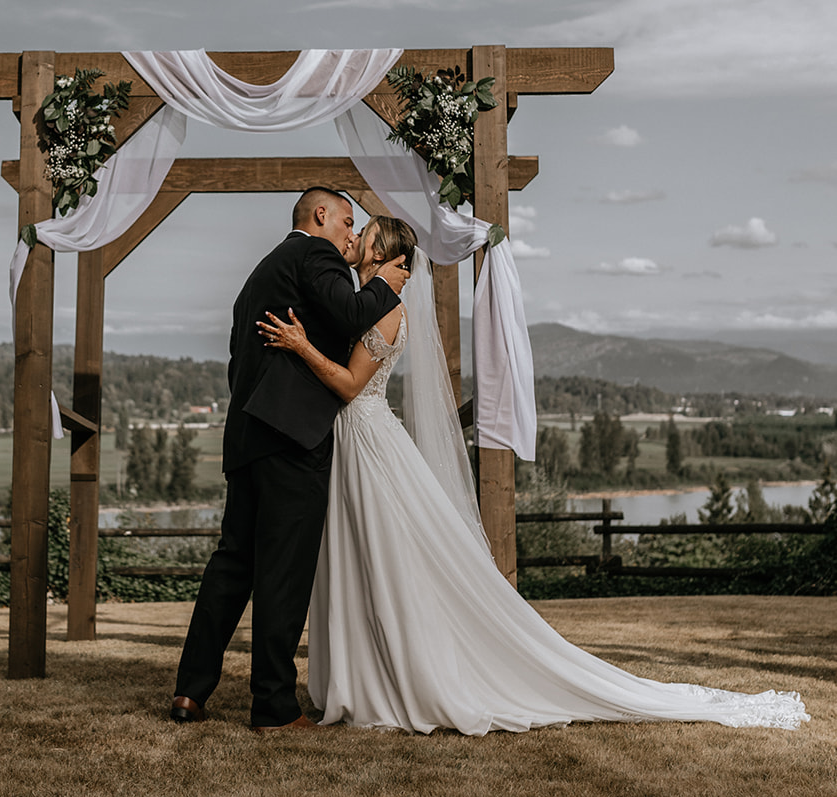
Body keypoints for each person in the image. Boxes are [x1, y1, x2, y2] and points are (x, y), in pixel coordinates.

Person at [257, 216, 808, 735]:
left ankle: (397, 676)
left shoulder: (385, 308)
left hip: (368, 441)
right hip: (354, 442)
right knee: (362, 560)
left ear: (382, 254)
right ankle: (365, 673)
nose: (352, 239)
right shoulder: (361, 304)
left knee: (385, 558)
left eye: (364, 234)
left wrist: (301, 345)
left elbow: (352, 386)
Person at [170, 187, 409, 732]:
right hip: (292, 438)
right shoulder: (313, 254)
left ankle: (190, 691)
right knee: (283, 574)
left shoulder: (261, 273)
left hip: (248, 435)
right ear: (319, 215)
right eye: (348, 221)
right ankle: (273, 706)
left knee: (232, 564)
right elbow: (351, 312)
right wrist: (383, 286)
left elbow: (239, 359)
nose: (351, 234)